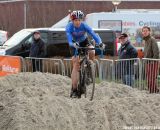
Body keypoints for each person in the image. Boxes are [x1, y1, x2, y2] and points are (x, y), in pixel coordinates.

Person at [65, 10, 104, 98]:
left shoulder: (84, 25)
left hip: (84, 41)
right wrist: (72, 44)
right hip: (74, 44)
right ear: (72, 21)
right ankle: (74, 90)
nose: (78, 22)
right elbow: (69, 39)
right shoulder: (69, 27)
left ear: (82, 20)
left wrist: (100, 43)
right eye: (75, 20)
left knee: (92, 50)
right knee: (75, 63)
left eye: (79, 20)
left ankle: (89, 70)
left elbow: (93, 34)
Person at [142, 26, 159, 93]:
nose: (145, 32)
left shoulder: (152, 39)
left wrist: (153, 62)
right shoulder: (145, 40)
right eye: (143, 31)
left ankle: (154, 91)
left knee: (152, 78)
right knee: (149, 78)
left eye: (146, 31)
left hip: (152, 62)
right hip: (147, 62)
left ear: (149, 32)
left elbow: (156, 52)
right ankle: (152, 90)